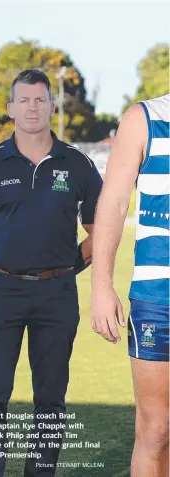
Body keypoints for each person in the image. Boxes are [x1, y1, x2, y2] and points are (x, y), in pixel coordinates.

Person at [0, 68, 102, 477]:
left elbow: (100, 232)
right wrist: (4, 270)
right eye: (24, 100)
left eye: (40, 99)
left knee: (51, 401)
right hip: (0, 295)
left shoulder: (78, 164)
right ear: (10, 109)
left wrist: (68, 268)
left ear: (52, 106)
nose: (33, 107)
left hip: (57, 296)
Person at [91, 94, 169, 477]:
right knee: (156, 431)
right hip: (158, 300)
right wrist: (101, 286)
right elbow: (115, 202)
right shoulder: (145, 118)